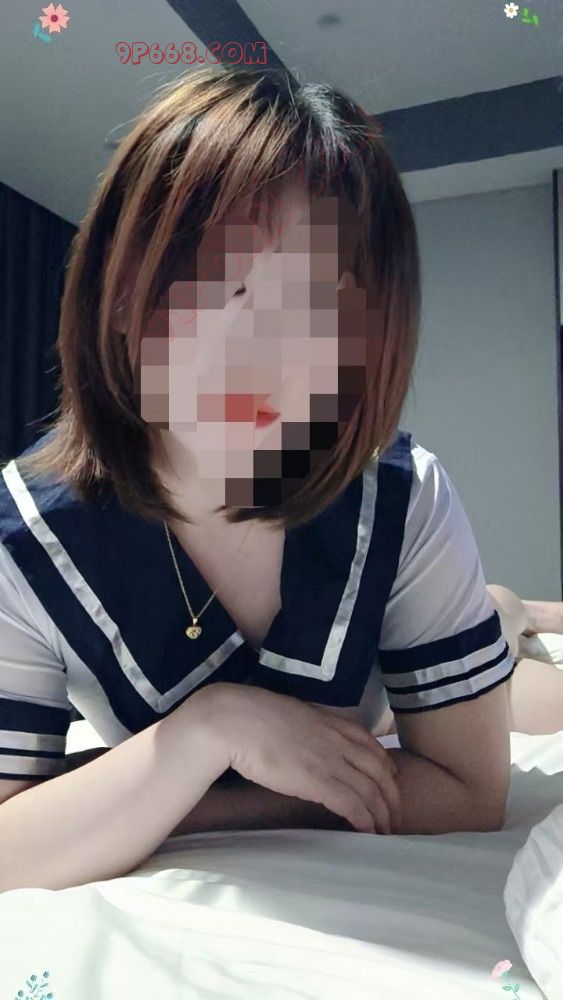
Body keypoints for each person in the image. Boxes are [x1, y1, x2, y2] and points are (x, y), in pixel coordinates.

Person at [0, 65, 515, 891]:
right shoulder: (26, 541)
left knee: (510, 637)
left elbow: (469, 791)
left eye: (317, 304)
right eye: (216, 284)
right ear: (122, 297)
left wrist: (177, 798)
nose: (260, 354)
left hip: (410, 651)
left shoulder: (402, 496)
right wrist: (210, 731)